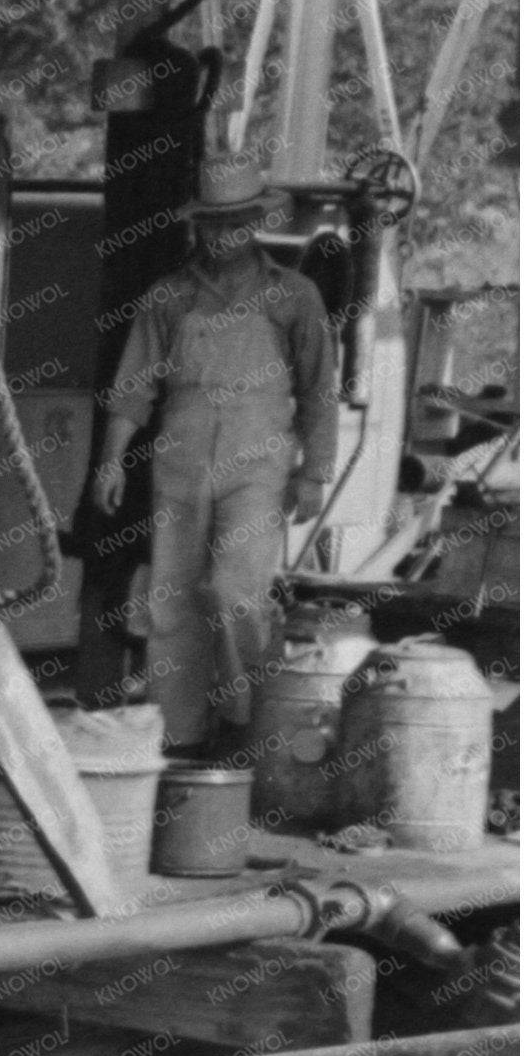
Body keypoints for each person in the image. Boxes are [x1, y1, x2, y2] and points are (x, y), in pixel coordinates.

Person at [90, 152, 340, 754]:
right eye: (211, 224)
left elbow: (318, 390)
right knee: (172, 594)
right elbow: (133, 386)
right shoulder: (169, 296)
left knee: (235, 592)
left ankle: (244, 720)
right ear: (196, 225)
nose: (223, 235)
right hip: (179, 451)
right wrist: (110, 459)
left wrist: (315, 475)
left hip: (258, 460)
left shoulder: (294, 295)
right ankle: (178, 734)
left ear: (254, 221)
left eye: (236, 223)